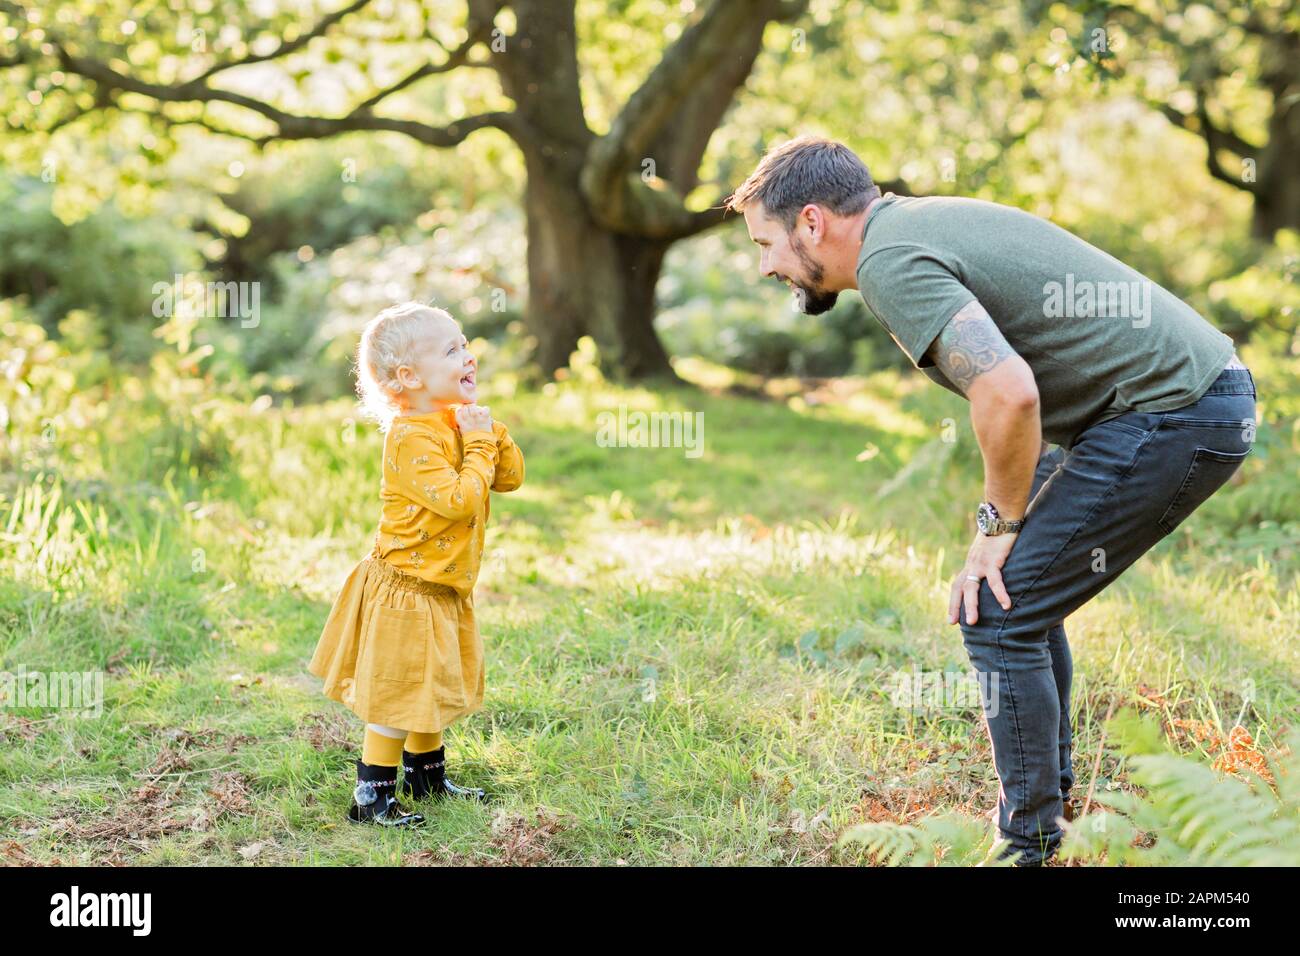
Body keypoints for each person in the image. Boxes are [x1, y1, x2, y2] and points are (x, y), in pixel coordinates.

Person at [726, 136, 1256, 865]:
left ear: (811, 222)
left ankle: (1027, 845)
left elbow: (1008, 394)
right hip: (1179, 402)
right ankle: (1050, 810)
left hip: (1175, 411)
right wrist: (1005, 531)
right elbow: (1018, 395)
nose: (766, 266)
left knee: (1000, 614)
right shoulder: (909, 227)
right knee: (1017, 600)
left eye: (766, 243)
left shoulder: (888, 262)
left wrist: (997, 524)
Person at [308, 302, 525, 827]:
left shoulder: (456, 422)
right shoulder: (410, 437)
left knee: (433, 685)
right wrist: (476, 443)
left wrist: (491, 431)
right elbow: (458, 500)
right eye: (452, 349)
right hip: (406, 591)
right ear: (408, 377)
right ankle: (372, 794)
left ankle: (426, 777)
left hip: (443, 589)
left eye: (466, 344)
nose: (468, 355)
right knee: (399, 692)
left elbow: (511, 477)